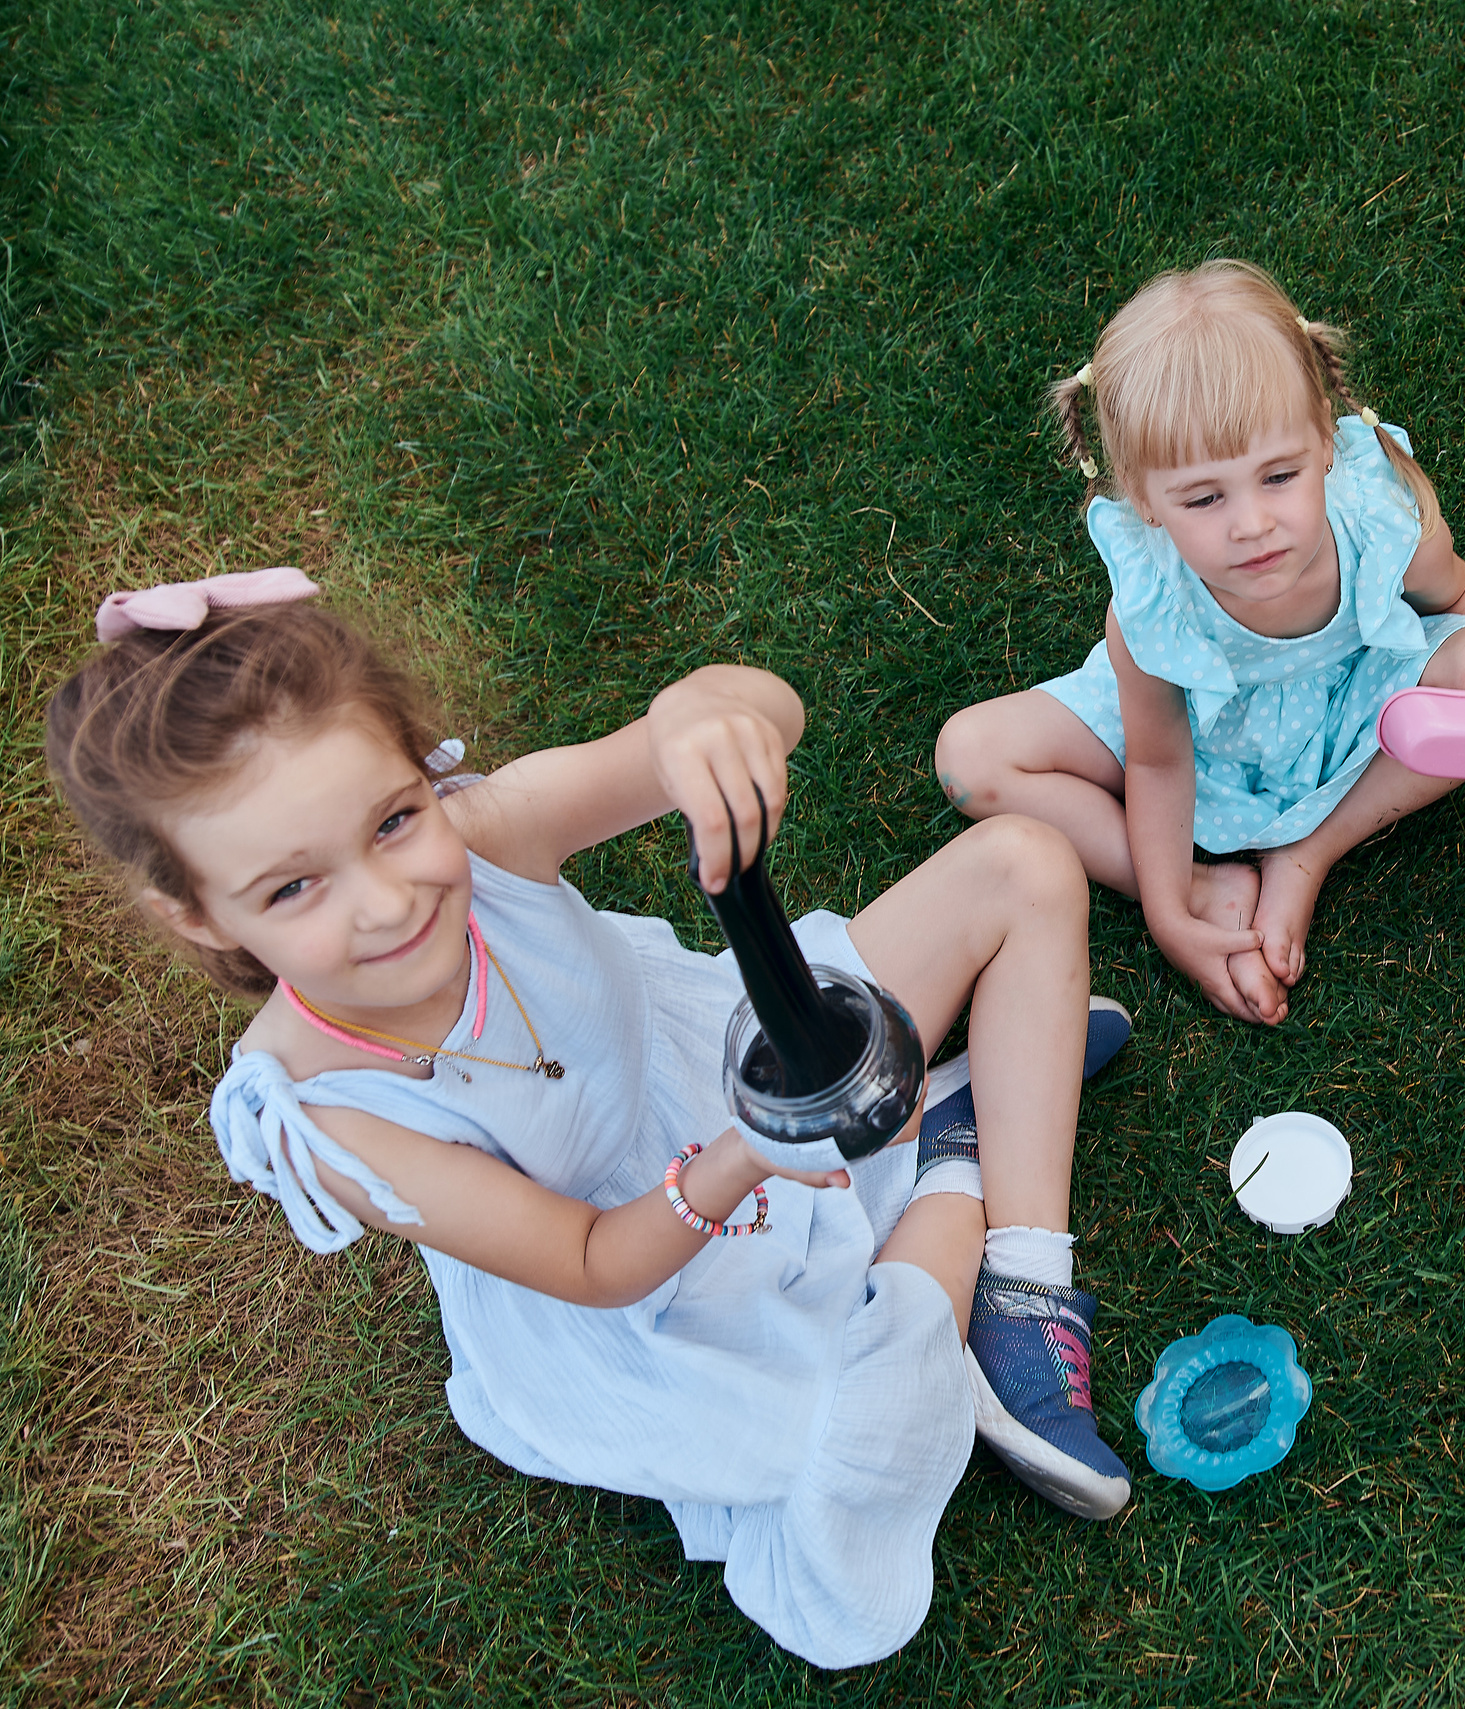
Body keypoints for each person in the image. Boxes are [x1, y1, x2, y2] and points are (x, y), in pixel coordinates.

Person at [47, 570, 1137, 1668]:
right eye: (292, 889)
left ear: (421, 776)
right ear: (194, 913)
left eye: (391, 821)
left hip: (734, 1052)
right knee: (830, 1508)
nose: (383, 900)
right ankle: (953, 1154)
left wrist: (699, 714)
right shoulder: (328, 1120)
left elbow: (764, 709)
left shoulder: (486, 833)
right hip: (653, 1275)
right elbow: (589, 1258)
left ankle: (1024, 1278)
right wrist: (745, 1156)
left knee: (1025, 863)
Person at [932, 260, 1465, 1025]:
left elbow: (1455, 592)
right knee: (970, 755)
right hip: (1205, 730)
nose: (1251, 524)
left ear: (1324, 443)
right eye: (1206, 498)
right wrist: (1168, 910)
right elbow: (1158, 757)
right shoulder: (1153, 608)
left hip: (1356, 704)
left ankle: (1310, 850)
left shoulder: (1379, 519)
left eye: (1278, 476)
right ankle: (1203, 883)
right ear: (1145, 499)